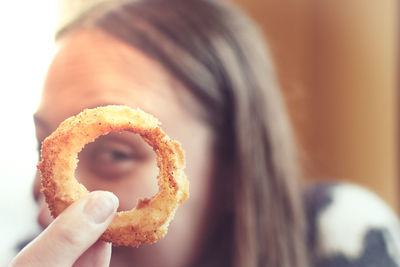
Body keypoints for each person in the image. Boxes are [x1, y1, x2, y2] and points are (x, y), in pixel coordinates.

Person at [9, 0, 400, 266]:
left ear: (234, 167)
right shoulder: (27, 255)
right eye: (41, 146)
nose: (47, 216)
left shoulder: (342, 236)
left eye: (115, 154)